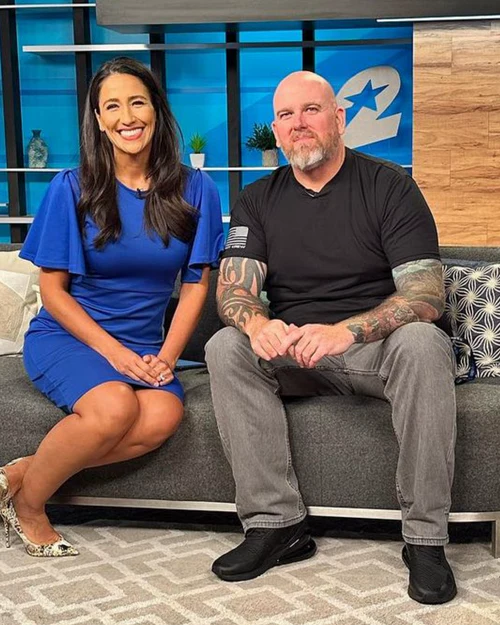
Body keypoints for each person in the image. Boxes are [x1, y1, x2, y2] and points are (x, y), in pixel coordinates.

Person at [205, 70, 457, 605]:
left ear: (339, 118)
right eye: (286, 115)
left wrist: (346, 331)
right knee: (225, 345)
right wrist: (258, 324)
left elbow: (426, 294)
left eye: (311, 110)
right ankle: (276, 526)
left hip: (373, 351)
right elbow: (233, 291)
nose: (298, 123)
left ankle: (425, 540)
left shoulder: (389, 185)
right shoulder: (257, 199)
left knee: (423, 342)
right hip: (295, 352)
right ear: (276, 130)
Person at [0, 57, 224, 557]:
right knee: (114, 407)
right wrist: (115, 355)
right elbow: (54, 293)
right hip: (70, 337)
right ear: (99, 120)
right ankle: (30, 506)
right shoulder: (71, 187)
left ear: (156, 110)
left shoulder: (197, 188)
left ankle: (19, 473)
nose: (128, 117)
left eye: (137, 102)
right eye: (113, 106)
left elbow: (195, 285)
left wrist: (166, 357)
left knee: (161, 417)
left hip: (144, 345)